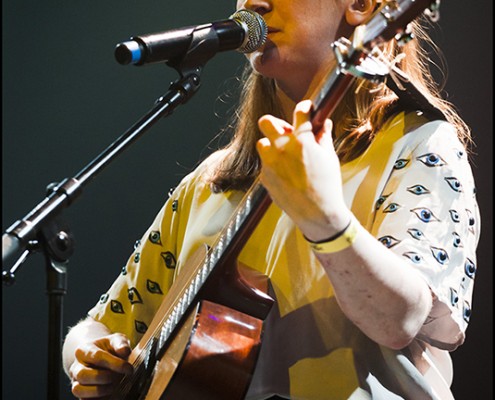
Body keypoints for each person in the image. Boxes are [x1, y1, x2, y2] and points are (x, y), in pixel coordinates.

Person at [62, 0, 480, 398]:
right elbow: (97, 325)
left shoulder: (419, 147)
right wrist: (89, 357)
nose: (254, 3)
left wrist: (326, 219)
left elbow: (399, 320)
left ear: (362, 6)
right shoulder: (208, 183)